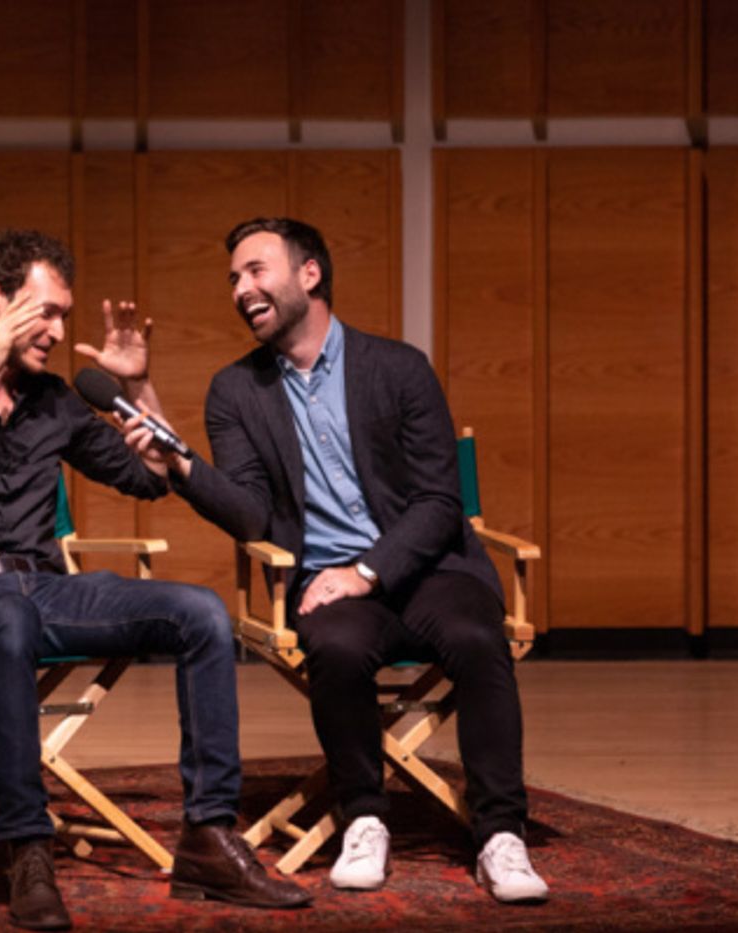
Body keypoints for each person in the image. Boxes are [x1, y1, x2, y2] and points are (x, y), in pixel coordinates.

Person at [0, 229, 308, 930]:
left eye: (63, 316)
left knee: (199, 611)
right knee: (8, 618)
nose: (56, 331)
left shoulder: (54, 400)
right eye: (44, 312)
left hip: (48, 585)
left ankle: (207, 834)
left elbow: (153, 474)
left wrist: (138, 388)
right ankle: (26, 844)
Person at [159, 218, 549, 903]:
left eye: (255, 270)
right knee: (336, 649)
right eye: (233, 279)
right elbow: (251, 514)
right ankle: (364, 816)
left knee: (474, 636)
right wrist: (182, 467)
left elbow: (437, 501)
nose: (241, 289)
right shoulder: (235, 391)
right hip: (330, 586)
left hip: (429, 566)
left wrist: (366, 570)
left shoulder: (398, 367)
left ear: (310, 274)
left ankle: (500, 832)